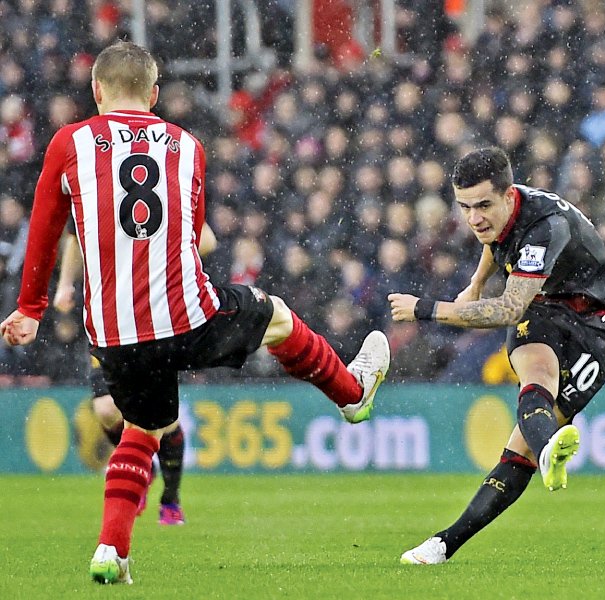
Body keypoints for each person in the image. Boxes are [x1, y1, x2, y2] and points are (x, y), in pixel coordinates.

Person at [0, 41, 390, 585]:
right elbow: (194, 234)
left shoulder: (70, 142)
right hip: (187, 317)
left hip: (114, 334)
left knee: (143, 426)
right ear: (155, 95)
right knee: (274, 314)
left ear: (96, 93)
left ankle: (111, 550)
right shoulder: (186, 144)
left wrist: (30, 308)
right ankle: (352, 395)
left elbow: (45, 227)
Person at [388, 147, 605, 564]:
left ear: (508, 195)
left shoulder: (545, 227)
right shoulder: (505, 214)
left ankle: (543, 446)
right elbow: (496, 242)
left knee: (521, 453)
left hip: (597, 324)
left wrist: (427, 308)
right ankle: (443, 545)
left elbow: (509, 308)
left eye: (482, 205)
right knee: (535, 378)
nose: (473, 218)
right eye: (464, 207)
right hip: (546, 306)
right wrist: (477, 281)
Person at [52, 222, 218, 526]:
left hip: (155, 317)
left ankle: (171, 498)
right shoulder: (95, 185)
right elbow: (75, 235)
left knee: (165, 419)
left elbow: (206, 239)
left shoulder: (162, 186)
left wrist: (158, 257)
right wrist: (65, 283)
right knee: (105, 409)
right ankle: (142, 465)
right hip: (107, 317)